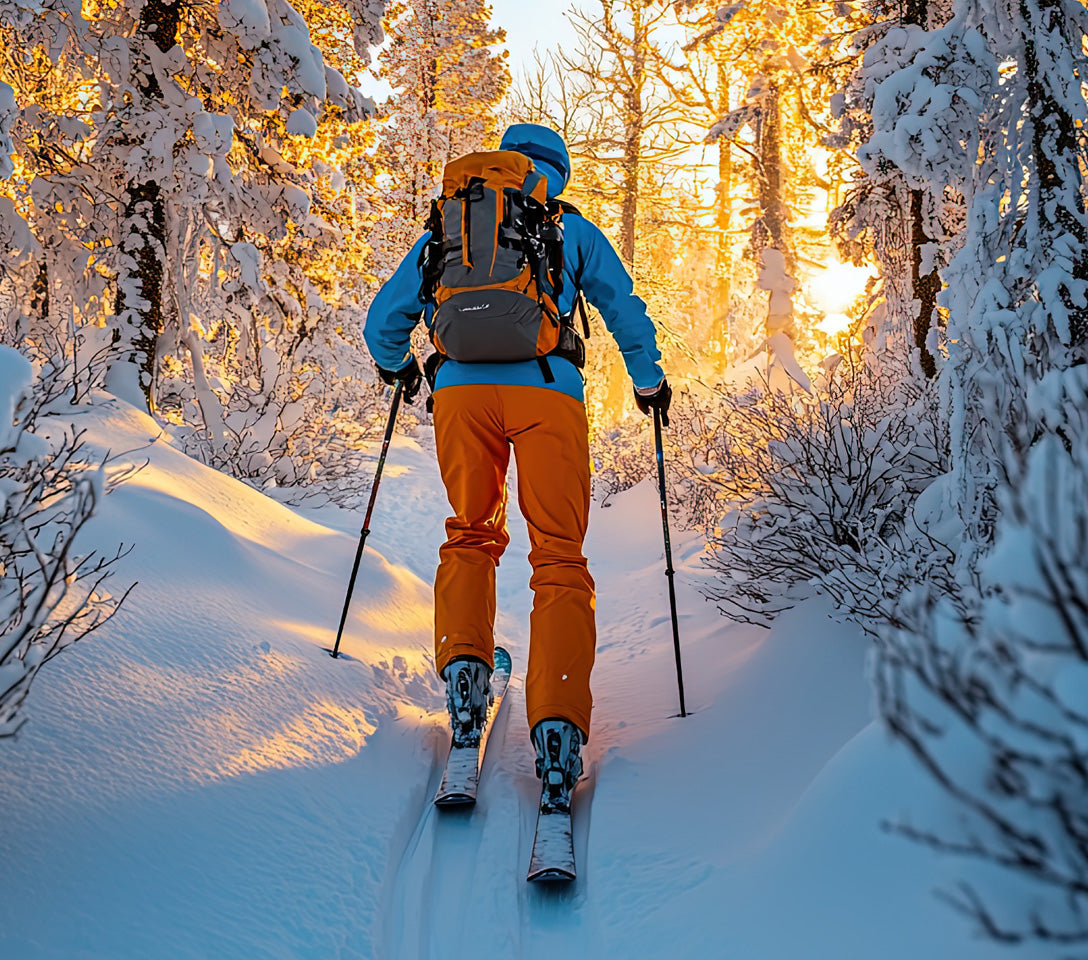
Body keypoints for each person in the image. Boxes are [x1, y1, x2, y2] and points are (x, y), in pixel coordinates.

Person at [364, 122, 670, 806]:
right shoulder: (567, 227)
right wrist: (648, 381)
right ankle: (558, 731)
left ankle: (466, 680)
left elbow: (383, 320)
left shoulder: (453, 225)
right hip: (546, 391)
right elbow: (623, 308)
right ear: (556, 171)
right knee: (559, 554)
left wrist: (401, 370)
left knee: (470, 533)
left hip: (460, 394)